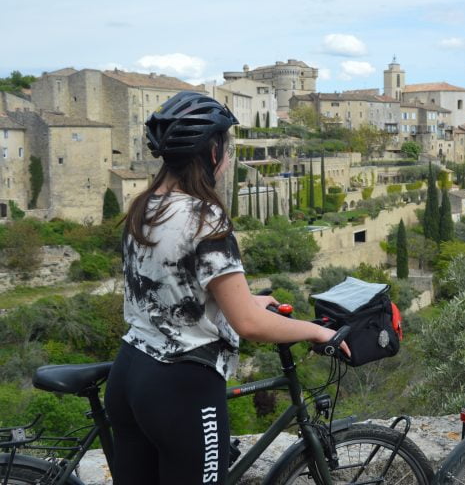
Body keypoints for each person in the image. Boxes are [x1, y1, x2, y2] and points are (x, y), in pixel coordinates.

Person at [104, 90, 348, 484]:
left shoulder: (144, 206)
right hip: (182, 385)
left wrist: (243, 298)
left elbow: (172, 287)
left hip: (131, 372)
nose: (228, 158)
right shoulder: (205, 218)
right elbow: (250, 325)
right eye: (227, 148)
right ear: (212, 153)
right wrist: (319, 330)